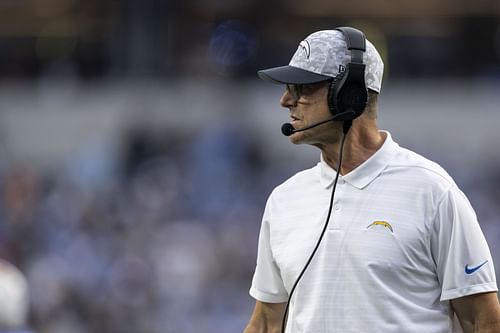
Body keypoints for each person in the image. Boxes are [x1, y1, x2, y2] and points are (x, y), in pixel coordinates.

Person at [243, 27, 500, 333]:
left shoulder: (431, 191)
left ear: (348, 93)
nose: (285, 100)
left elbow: (482, 319)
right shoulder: (284, 199)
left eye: (302, 88)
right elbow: (266, 323)